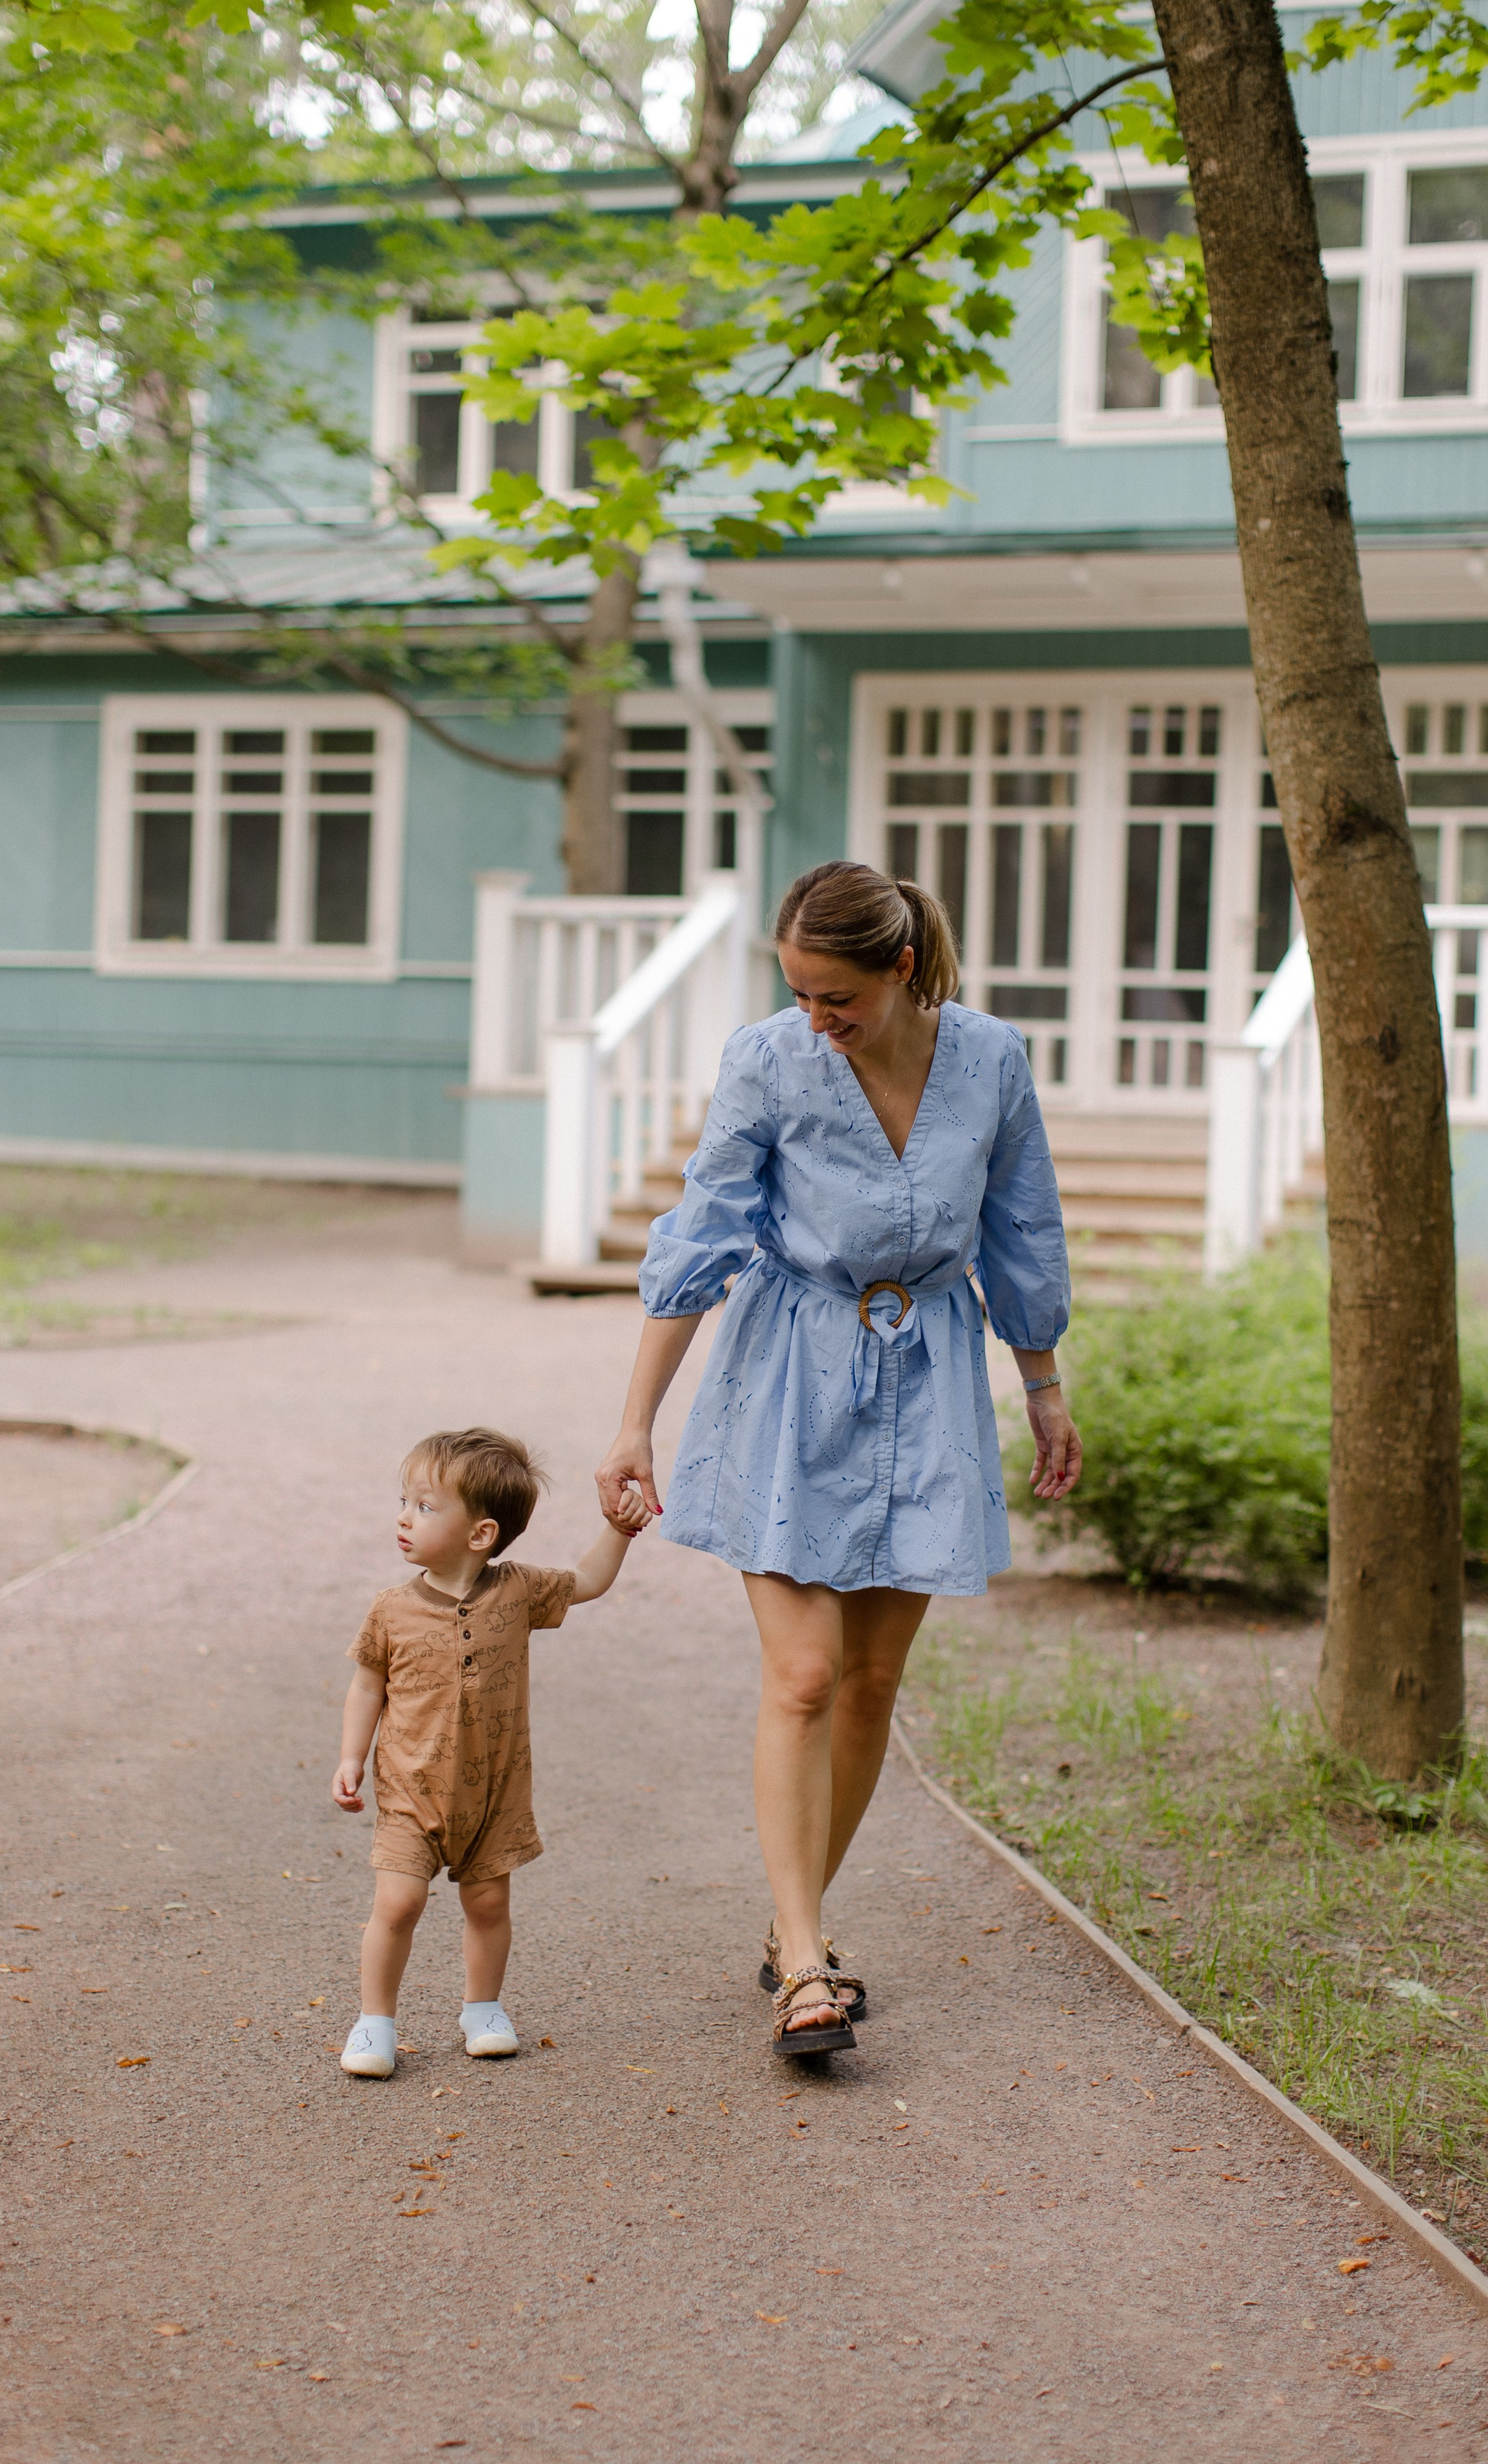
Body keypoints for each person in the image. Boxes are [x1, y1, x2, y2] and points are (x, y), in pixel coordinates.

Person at [595, 860, 1079, 2056]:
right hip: (790, 1378)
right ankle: (806, 1967)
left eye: (836, 999)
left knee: (870, 1682)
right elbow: (702, 1228)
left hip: (930, 1380)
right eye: (799, 994)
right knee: (804, 1676)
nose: (815, 1019)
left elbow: (1023, 1230)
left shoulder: (991, 1061)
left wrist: (1045, 1388)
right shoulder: (769, 1060)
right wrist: (632, 1421)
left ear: (901, 968)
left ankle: (789, 1923)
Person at [333, 1426, 645, 2075]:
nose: (403, 1517)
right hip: (410, 1789)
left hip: (494, 1793)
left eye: (424, 1506)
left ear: (481, 1534)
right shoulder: (391, 1610)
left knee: (489, 1904)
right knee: (398, 1904)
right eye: (404, 1501)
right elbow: (367, 1685)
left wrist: (620, 1528)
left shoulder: (518, 1591)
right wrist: (350, 1759)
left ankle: (483, 2008)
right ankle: (374, 2022)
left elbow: (588, 1580)